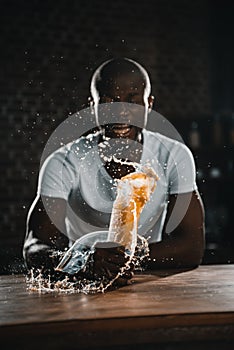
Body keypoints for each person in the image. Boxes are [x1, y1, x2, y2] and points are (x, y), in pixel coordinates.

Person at [23, 58, 205, 285]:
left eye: (132, 100)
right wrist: (82, 260)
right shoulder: (63, 162)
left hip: (146, 282)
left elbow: (192, 247)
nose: (120, 112)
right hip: (83, 284)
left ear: (149, 104)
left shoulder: (174, 154)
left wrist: (126, 260)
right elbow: (35, 246)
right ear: (93, 106)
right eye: (109, 100)